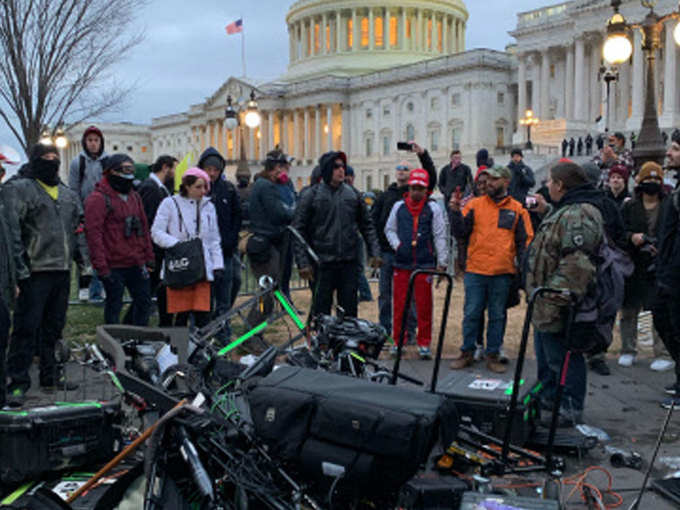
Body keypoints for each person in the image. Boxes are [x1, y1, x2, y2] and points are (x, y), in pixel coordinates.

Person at [3, 143, 90, 404]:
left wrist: (84, 265)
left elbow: (79, 231)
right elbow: (13, 234)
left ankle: (51, 375)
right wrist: (20, 271)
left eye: (55, 158)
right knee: (26, 328)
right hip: (34, 271)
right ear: (35, 160)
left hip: (62, 271)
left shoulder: (68, 194)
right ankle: (17, 382)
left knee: (54, 328)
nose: (51, 162)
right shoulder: (19, 189)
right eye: (45, 158)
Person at [527, 160, 605, 425]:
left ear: (560, 185)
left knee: (563, 358)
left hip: (558, 303)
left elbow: (577, 263)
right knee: (548, 359)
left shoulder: (580, 213)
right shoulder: (567, 209)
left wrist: (555, 298)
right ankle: (549, 399)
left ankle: (570, 407)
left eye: (550, 181)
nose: (547, 185)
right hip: (545, 301)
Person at [449, 165, 534, 373]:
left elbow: (525, 241)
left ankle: (493, 354)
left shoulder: (517, 209)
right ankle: (467, 352)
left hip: (502, 272)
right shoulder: (475, 205)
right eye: (487, 180)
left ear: (506, 182)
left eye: (494, 180)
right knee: (471, 314)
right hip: (476, 270)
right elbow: (460, 231)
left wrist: (523, 271)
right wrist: (453, 211)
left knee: (497, 315)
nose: (488, 183)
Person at [293, 150, 381, 318]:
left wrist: (375, 252)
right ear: (327, 169)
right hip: (321, 263)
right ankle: (322, 344)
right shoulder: (311, 195)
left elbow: (367, 226)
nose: (341, 170)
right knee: (321, 312)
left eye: (343, 166)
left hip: (348, 262)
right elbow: (298, 230)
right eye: (336, 167)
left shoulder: (353, 194)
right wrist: (303, 262)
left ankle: (346, 343)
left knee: (349, 312)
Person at [384, 168, 448, 359]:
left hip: (424, 263)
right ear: (409, 188)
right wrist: (398, 246)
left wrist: (442, 261)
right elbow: (389, 229)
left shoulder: (433, 208)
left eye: (420, 188)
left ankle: (424, 343)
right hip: (402, 263)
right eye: (414, 188)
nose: (416, 192)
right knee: (400, 305)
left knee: (424, 305)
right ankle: (398, 341)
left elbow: (439, 235)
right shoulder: (398, 206)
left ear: (426, 190)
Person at [85, 154, 154, 326]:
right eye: (125, 170)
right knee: (114, 305)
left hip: (136, 262)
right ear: (111, 172)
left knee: (144, 302)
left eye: (131, 170)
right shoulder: (98, 199)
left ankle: (137, 340)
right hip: (113, 265)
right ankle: (112, 344)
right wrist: (102, 268)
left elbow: (144, 228)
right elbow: (94, 235)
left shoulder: (134, 196)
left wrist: (149, 257)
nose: (129, 175)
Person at [151, 169, 223, 328]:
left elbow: (213, 239)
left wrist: (218, 265)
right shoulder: (169, 204)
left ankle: (198, 350)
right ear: (187, 186)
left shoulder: (208, 206)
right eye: (198, 187)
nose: (203, 191)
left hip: (202, 269)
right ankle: (176, 350)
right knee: (178, 316)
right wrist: (177, 244)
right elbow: (156, 232)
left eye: (205, 187)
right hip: (179, 266)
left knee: (203, 316)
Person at [619, 161, 673, 371]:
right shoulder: (629, 206)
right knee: (629, 310)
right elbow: (618, 233)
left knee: (660, 311)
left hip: (659, 265)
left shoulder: (668, 204)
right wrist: (632, 237)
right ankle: (627, 349)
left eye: (656, 180)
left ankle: (662, 353)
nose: (651, 183)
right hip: (633, 265)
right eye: (648, 179)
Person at [198, 148, 241, 341]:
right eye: (208, 169)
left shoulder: (229, 189)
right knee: (205, 298)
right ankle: (204, 334)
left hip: (225, 251)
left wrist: (231, 240)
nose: (212, 173)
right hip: (202, 253)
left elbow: (237, 216)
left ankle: (224, 333)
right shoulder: (197, 189)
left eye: (215, 169)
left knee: (226, 295)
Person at [247, 150, 295, 324]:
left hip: (269, 243)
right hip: (265, 245)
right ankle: (251, 331)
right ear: (275, 168)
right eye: (283, 168)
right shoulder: (266, 186)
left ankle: (255, 332)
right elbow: (279, 213)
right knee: (266, 291)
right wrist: (295, 212)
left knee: (268, 289)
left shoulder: (265, 184)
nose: (285, 173)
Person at [652, 133, 680, 408]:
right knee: (663, 319)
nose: (668, 153)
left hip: (675, 274)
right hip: (668, 270)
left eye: (674, 149)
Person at [68, 125, 108, 302]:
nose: (93, 144)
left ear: (101, 142)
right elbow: (73, 189)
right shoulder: (78, 162)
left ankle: (103, 286)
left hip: (105, 213)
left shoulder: (108, 161)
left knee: (104, 250)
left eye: (96, 140)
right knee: (85, 252)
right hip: (85, 212)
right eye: (90, 140)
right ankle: (85, 287)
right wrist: (80, 212)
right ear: (85, 142)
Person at [138, 155, 177, 326]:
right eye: (174, 168)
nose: (175, 173)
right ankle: (133, 328)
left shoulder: (158, 188)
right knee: (145, 295)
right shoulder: (151, 188)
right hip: (154, 251)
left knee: (153, 293)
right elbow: (149, 221)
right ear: (165, 168)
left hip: (157, 250)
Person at [345, 166, 373, 302]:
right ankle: (363, 293)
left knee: (357, 268)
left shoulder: (354, 194)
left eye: (349, 176)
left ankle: (365, 294)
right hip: (353, 235)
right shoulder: (354, 193)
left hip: (355, 236)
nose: (347, 178)